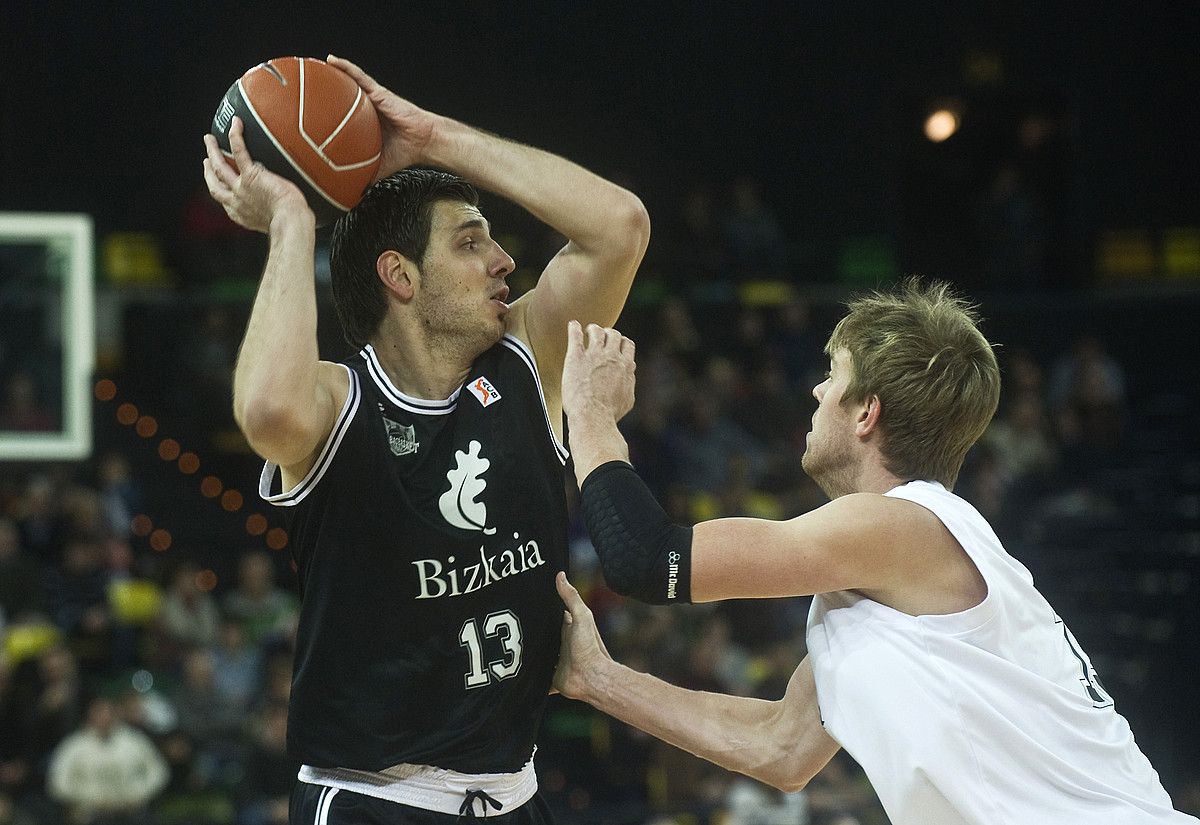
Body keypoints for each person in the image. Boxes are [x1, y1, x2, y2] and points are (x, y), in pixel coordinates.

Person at [550, 279, 1198, 824]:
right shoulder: (885, 567)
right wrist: (599, 680)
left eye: (832, 377)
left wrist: (587, 412)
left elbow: (644, 556)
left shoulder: (900, 526)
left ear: (865, 414)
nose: (815, 393)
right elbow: (779, 748)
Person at [201, 54, 649, 824]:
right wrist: (292, 222)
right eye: (471, 243)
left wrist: (437, 137)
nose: (505, 260)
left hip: (516, 792)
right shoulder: (342, 401)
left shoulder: (524, 360)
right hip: (375, 799)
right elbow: (269, 413)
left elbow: (619, 227)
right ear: (400, 276)